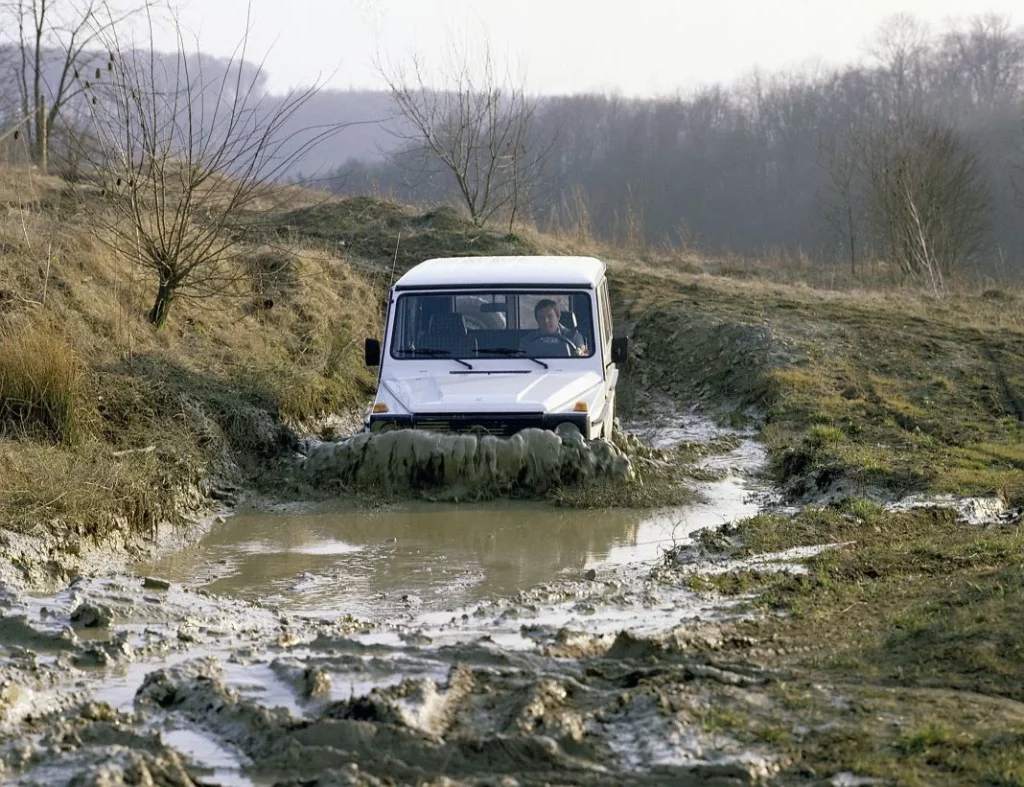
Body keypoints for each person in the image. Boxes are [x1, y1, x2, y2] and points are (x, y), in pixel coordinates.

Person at [520, 298, 588, 356]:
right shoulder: (527, 341)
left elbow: (582, 358)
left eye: (550, 316)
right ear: (537, 320)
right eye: (541, 317)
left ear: (558, 317)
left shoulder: (574, 337)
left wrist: (580, 352)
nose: (546, 321)